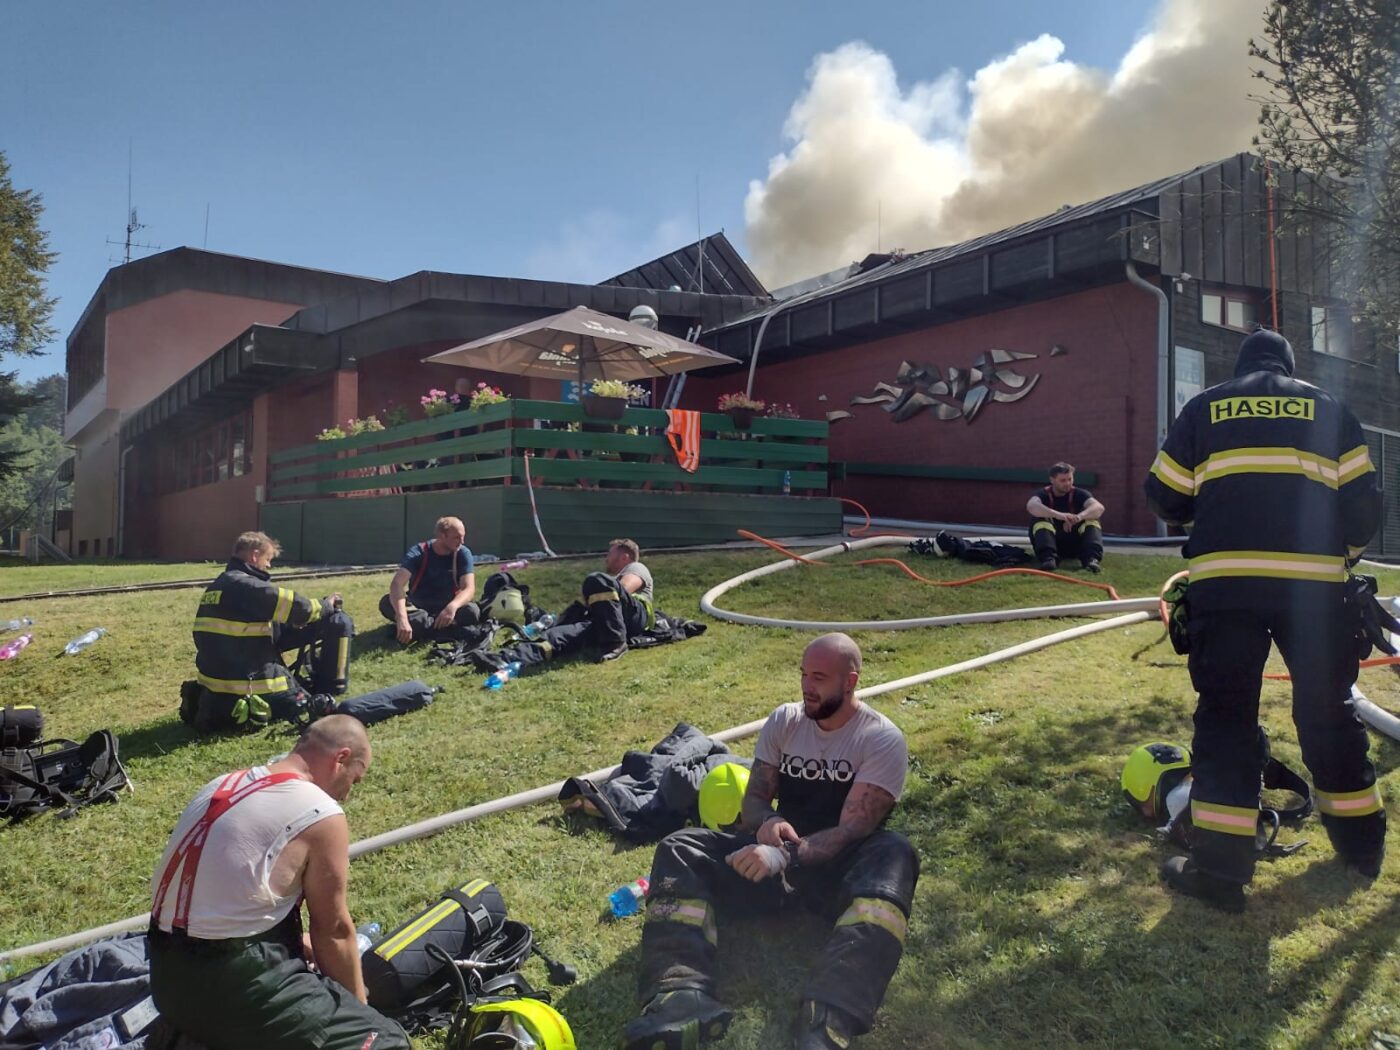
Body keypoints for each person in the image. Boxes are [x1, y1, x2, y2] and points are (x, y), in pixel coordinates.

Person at [1144, 328, 1385, 911]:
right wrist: (1342, 555)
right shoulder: (1329, 407)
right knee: (1328, 711)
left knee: (1226, 718)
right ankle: (1361, 849)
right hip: (1314, 593)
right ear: (1291, 366)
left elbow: (1163, 496)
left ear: (1239, 366)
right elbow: (1365, 506)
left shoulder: (1205, 407)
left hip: (1226, 589)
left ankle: (1222, 874)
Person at [622, 633, 918, 1050]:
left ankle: (828, 1019)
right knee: (681, 846)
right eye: (803, 675)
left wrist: (784, 856)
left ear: (850, 682)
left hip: (837, 878)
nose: (807, 686)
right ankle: (680, 998)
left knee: (895, 852)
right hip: (770, 869)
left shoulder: (881, 740)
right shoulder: (786, 721)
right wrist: (767, 821)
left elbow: (853, 829)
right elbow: (756, 797)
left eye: (819, 677)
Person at [147, 715, 410, 1050]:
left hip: (166, 981)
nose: (346, 795)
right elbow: (333, 931)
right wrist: (359, 1013)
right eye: (352, 781)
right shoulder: (318, 812)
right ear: (340, 758)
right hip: (230, 984)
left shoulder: (223, 784)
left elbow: (223, 900)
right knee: (386, 1040)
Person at [192, 531, 352, 725]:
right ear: (254, 555)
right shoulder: (247, 586)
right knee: (339, 621)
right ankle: (331, 686)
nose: (268, 566)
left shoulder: (218, 585)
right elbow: (303, 608)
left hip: (217, 689)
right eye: (267, 559)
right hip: (253, 686)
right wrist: (327, 605)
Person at [380, 515, 478, 643]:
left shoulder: (462, 553)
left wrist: (452, 607)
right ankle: (442, 629)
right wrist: (402, 618)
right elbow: (397, 584)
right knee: (386, 602)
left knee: (473, 612)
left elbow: (469, 589)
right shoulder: (419, 552)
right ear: (442, 536)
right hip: (418, 606)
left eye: (463, 537)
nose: (462, 542)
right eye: (457, 537)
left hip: (446, 607)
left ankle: (421, 629)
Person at [558, 538, 654, 662]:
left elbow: (624, 590)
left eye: (609, 554)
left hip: (635, 616)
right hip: (614, 619)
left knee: (597, 579)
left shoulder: (636, 567)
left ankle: (616, 644)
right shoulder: (611, 581)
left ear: (624, 557)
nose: (606, 559)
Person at [1026, 462, 1105, 572]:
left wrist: (1078, 517)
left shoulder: (1079, 493)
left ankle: (1091, 560)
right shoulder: (1043, 494)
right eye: (1063, 480)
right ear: (1052, 480)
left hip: (1075, 543)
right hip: (1053, 543)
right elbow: (1032, 506)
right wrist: (1061, 516)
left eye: (1070, 479)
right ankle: (1048, 560)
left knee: (1092, 520)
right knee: (1039, 519)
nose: (1067, 483)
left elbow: (1099, 507)